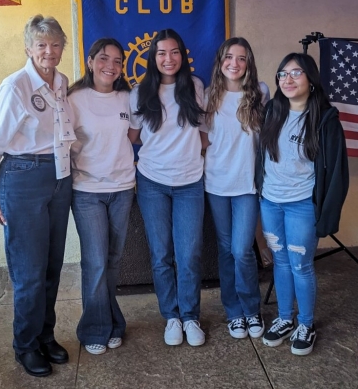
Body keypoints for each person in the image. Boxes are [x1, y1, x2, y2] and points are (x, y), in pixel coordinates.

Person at [0, 15, 76, 377]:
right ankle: (25, 345)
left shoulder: (62, 82)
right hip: (22, 178)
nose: (49, 51)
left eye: (55, 45)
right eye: (41, 45)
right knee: (29, 272)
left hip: (58, 176)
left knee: (52, 267)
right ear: (28, 48)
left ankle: (45, 335)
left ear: (62, 48)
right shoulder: (16, 85)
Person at [257, 53, 349, 356]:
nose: (288, 80)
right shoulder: (272, 110)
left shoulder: (324, 118)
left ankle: (306, 324)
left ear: (311, 79)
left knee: (300, 265)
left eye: (296, 73)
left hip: (302, 206)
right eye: (283, 74)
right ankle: (285, 318)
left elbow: (337, 172)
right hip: (271, 202)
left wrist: (327, 216)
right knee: (280, 262)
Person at [128, 29, 206, 347]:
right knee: (161, 255)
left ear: (182, 56)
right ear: (153, 57)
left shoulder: (196, 87)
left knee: (188, 256)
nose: (168, 58)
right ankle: (171, 316)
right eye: (161, 53)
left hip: (190, 183)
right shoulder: (139, 93)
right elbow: (131, 138)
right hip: (152, 183)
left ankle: (190, 317)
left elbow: (204, 135)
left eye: (174, 52)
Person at [68, 38, 135, 355]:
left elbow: (133, 136)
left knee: (112, 261)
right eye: (104, 58)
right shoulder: (75, 98)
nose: (111, 65)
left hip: (122, 189)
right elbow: (64, 142)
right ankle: (94, 329)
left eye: (118, 61)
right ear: (91, 61)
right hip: (87, 192)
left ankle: (112, 324)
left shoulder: (127, 97)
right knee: (95, 262)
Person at [200, 37, 269, 340]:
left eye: (242, 58)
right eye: (229, 57)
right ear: (221, 61)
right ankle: (234, 312)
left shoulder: (260, 93)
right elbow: (202, 141)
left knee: (242, 250)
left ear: (248, 64)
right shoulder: (207, 97)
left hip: (246, 185)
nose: (235, 63)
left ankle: (252, 309)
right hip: (216, 183)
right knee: (227, 250)